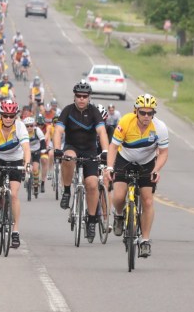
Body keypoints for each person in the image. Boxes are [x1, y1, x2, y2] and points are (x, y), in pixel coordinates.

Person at [105, 94, 169, 258]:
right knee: (119, 196)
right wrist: (110, 167)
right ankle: (119, 215)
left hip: (147, 163)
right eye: (143, 113)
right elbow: (113, 147)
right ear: (136, 111)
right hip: (124, 159)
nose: (146, 117)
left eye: (150, 113)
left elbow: (163, 153)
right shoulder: (126, 122)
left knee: (147, 200)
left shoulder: (160, 127)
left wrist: (156, 169)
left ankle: (145, 240)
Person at [53, 82, 109, 242]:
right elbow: (58, 130)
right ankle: (66, 191)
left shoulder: (94, 112)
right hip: (72, 147)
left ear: (89, 97)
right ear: (74, 96)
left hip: (90, 151)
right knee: (68, 157)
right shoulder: (68, 110)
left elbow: (102, 132)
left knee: (91, 184)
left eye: (84, 96)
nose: (81, 99)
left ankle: (91, 219)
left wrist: (104, 151)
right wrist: (57, 148)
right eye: (79, 96)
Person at [0, 99, 31, 249]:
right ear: (1, 115)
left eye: (12, 116)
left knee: (14, 195)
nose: (9, 119)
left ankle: (15, 231)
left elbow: (26, 147)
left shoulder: (20, 126)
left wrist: (27, 163)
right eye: (5, 115)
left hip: (15, 159)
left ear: (16, 116)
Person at [23, 115, 47, 196]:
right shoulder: (22, 132)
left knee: (35, 169)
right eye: (27, 126)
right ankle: (24, 173)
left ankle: (36, 185)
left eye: (31, 125)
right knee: (24, 162)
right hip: (26, 150)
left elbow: (42, 140)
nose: (29, 127)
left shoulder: (37, 130)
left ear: (34, 125)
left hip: (36, 150)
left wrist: (43, 149)